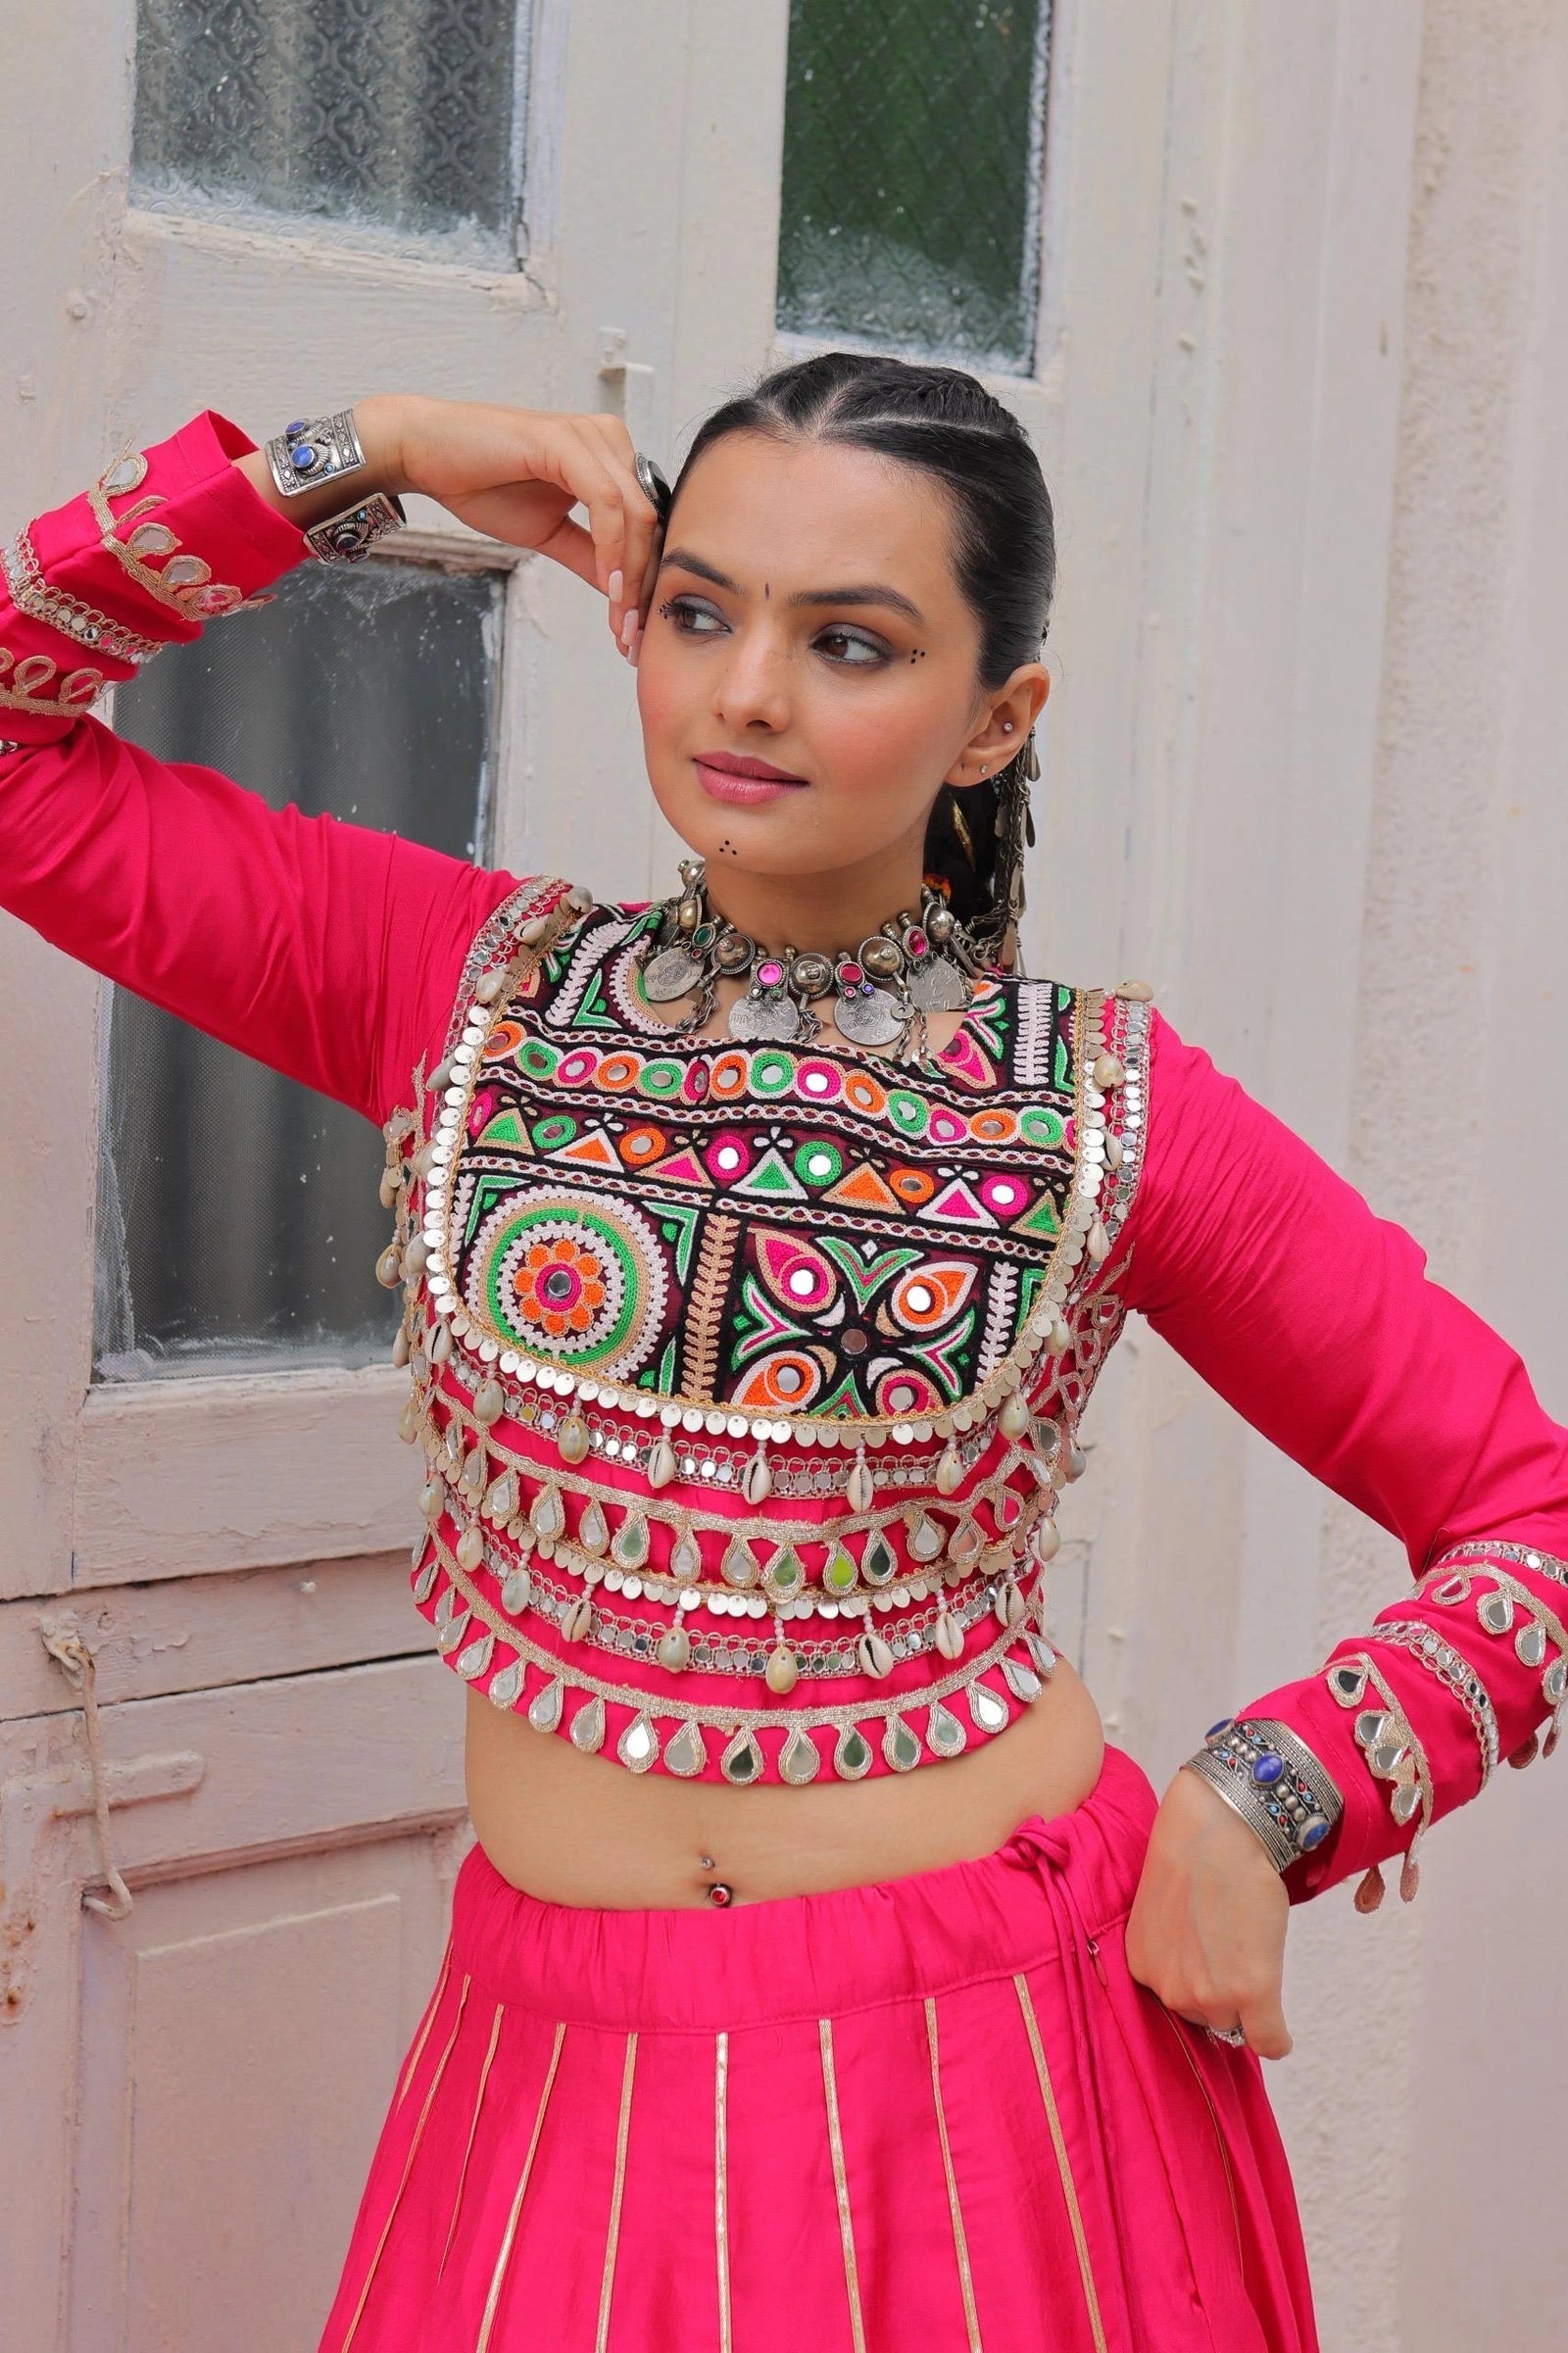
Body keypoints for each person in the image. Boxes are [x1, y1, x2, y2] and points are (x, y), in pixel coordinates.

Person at [3, 353, 1565, 2353]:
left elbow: (1520, 1515)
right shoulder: (464, 993)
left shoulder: (1096, 1110)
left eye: (847, 640)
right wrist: (359, 458)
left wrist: (1266, 1796)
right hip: (559, 2079)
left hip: (987, 2091)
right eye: (697, 609)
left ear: (996, 719)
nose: (744, 695)